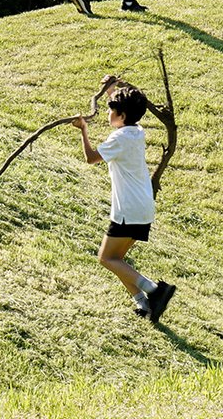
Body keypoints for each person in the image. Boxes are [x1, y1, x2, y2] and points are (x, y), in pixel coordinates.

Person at [71, 81, 176, 322]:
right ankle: (144, 305)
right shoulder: (137, 131)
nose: (108, 113)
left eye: (111, 109)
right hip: (143, 208)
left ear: (123, 114)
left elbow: (91, 158)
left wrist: (83, 129)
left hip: (127, 210)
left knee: (106, 258)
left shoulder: (119, 139)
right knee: (117, 261)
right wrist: (112, 90)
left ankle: (154, 291)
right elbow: (123, 116)